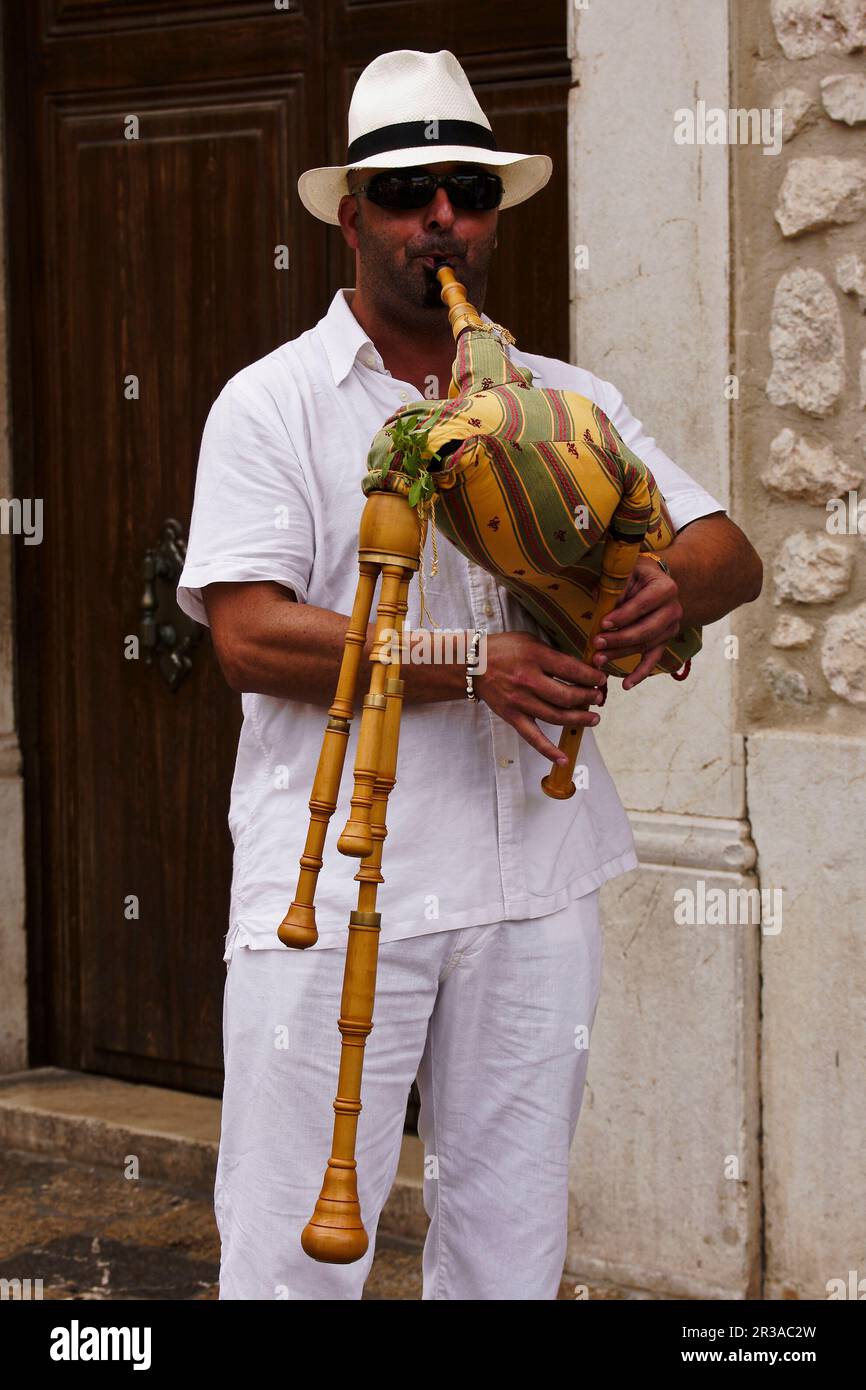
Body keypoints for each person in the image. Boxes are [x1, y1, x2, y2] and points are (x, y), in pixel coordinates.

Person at [176, 49, 762, 1301]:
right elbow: (246, 637)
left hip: (531, 888)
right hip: (332, 890)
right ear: (353, 214)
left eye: (467, 190)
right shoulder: (270, 405)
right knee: (293, 1254)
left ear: (491, 215)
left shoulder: (564, 401)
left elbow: (728, 549)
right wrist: (465, 663)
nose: (439, 216)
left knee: (509, 1248)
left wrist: (671, 588)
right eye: (405, 190)